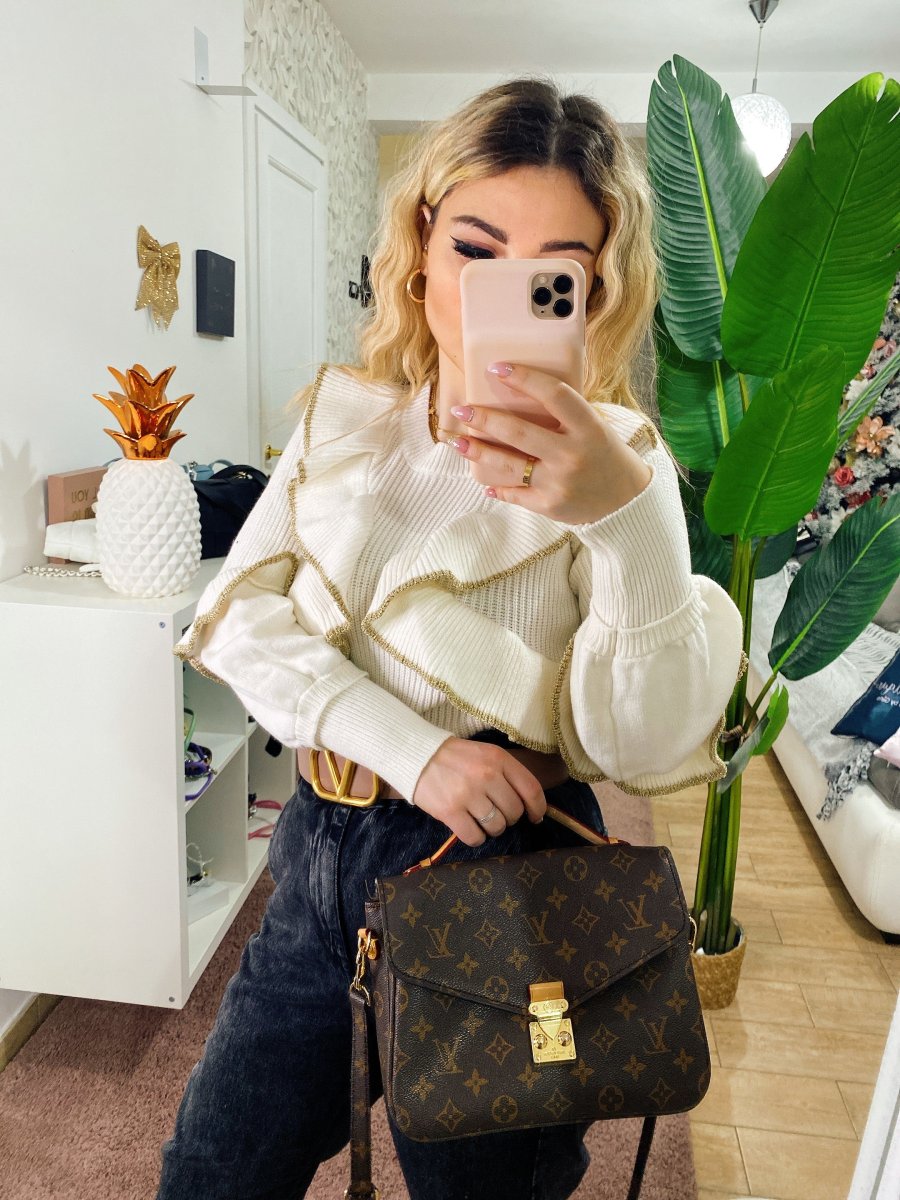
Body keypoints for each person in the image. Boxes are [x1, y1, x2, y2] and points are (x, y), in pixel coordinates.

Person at [157, 77, 743, 1200]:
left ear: (594, 293)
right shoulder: (349, 423)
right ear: (421, 250)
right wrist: (412, 749)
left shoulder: (624, 464)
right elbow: (235, 618)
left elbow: (642, 743)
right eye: (475, 248)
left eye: (552, 275)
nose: (499, 296)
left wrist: (626, 522)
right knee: (212, 1171)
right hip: (319, 850)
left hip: (501, 876)